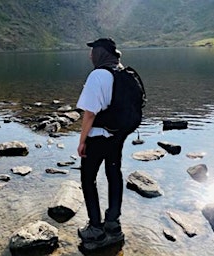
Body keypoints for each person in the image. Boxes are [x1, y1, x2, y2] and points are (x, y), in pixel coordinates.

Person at [76, 38, 127, 249]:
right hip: (116, 137)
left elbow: (89, 114)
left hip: (97, 138)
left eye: (93, 51)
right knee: (114, 175)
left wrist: (82, 141)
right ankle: (113, 225)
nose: (90, 55)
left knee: (88, 180)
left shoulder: (98, 75)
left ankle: (96, 229)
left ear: (101, 53)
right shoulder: (121, 72)